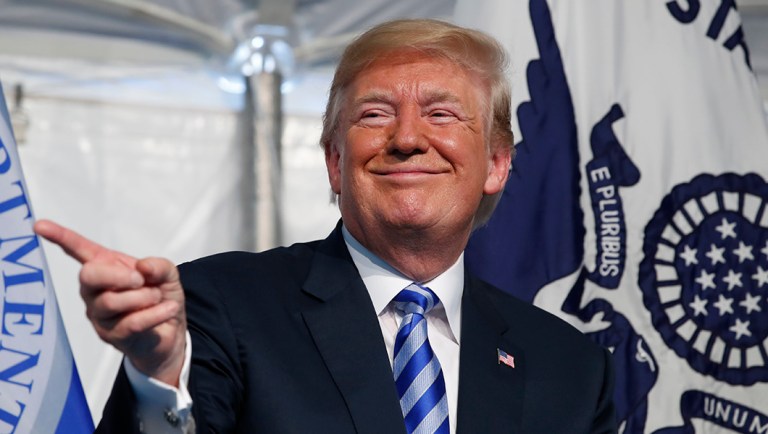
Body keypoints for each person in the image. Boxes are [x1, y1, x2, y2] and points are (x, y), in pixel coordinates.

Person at [35, 19, 616, 434]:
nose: (408, 138)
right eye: (374, 115)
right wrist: (159, 374)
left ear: (496, 163)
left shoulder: (567, 366)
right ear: (335, 162)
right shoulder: (223, 306)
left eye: (441, 113)